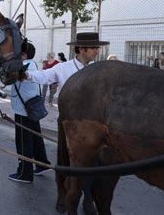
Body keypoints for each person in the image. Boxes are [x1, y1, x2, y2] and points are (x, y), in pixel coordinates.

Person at [21, 32, 109, 214]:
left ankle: (88, 198)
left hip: (94, 125)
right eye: (94, 48)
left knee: (95, 162)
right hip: (69, 124)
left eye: (97, 47)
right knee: (66, 160)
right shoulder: (63, 68)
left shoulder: (98, 70)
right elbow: (43, 76)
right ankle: (63, 193)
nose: (97, 51)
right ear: (81, 49)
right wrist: (25, 74)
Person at [8, 43, 51, 183]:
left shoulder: (22, 67)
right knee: (36, 138)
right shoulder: (33, 64)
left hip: (23, 110)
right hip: (33, 108)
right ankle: (42, 164)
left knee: (23, 141)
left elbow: (7, 80)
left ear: (24, 55)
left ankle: (24, 173)